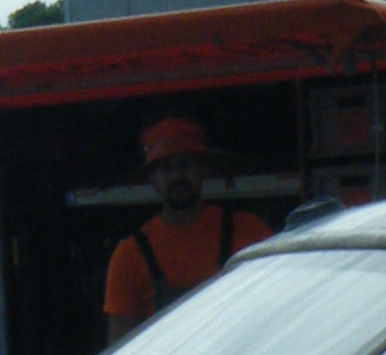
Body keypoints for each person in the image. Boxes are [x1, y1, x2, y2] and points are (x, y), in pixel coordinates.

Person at [102, 115, 273, 342]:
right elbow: (120, 351)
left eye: (186, 164)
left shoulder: (251, 233)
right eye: (166, 168)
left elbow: (275, 316)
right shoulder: (129, 256)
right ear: (152, 178)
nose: (178, 176)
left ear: (204, 170)